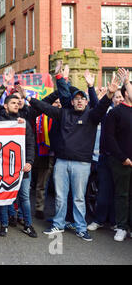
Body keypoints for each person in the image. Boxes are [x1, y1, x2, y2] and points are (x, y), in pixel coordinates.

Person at [27, 71, 121, 241]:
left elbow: (100, 107)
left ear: (86, 102)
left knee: (78, 198)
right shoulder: (63, 113)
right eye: (76, 99)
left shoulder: (92, 116)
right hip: (62, 162)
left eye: (82, 99)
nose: (79, 101)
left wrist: (109, 94)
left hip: (82, 165)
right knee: (60, 197)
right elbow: (44, 107)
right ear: (71, 102)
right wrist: (28, 98)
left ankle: (80, 227)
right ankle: (58, 224)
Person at [0, 95, 37, 238]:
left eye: (18, 103)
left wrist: (29, 161)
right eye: (13, 103)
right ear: (5, 105)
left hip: (22, 167)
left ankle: (28, 225)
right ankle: (4, 225)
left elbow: (30, 144)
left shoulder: (23, 122)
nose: (16, 105)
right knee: (3, 196)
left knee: (24, 197)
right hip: (3, 167)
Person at [87, 89, 124, 231]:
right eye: (116, 97)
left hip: (121, 160)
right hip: (105, 158)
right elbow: (97, 105)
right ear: (112, 99)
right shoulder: (108, 114)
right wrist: (91, 88)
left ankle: (115, 222)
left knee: (118, 192)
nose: (118, 99)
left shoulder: (128, 113)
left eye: (121, 97)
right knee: (103, 191)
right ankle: (99, 220)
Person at [104, 68, 132, 242]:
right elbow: (109, 138)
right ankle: (121, 226)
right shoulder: (115, 112)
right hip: (121, 161)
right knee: (122, 194)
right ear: (125, 93)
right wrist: (123, 158)